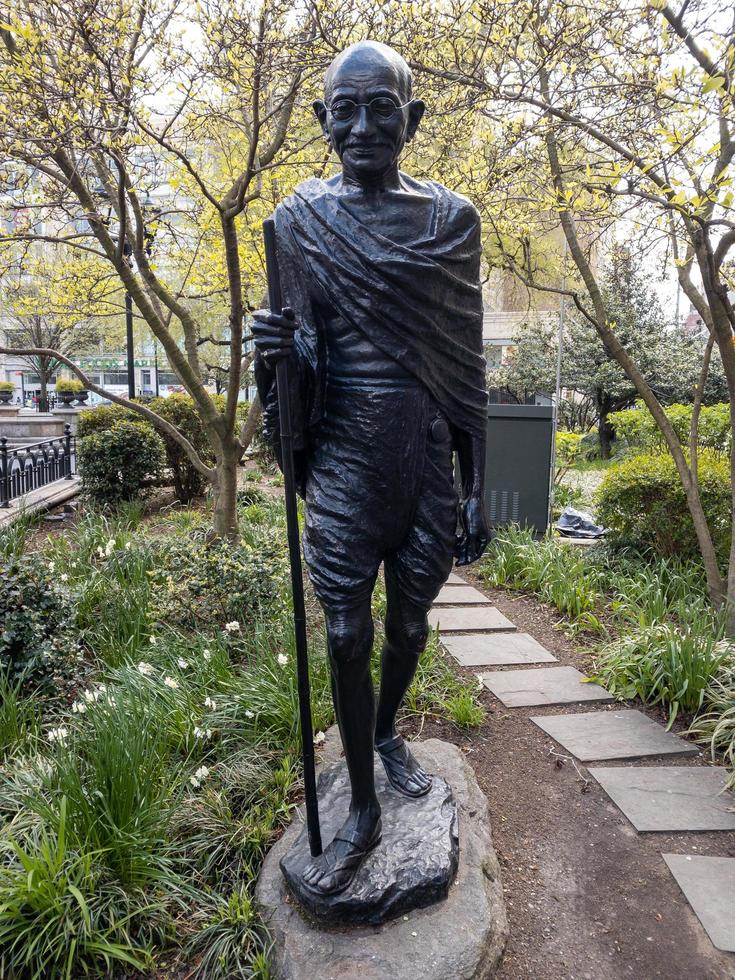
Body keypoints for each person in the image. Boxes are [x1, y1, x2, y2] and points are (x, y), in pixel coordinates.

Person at [252, 40, 489, 898]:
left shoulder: (449, 221)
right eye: (341, 110)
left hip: (424, 456)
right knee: (346, 632)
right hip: (347, 453)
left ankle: (387, 732)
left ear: (410, 117)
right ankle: (360, 807)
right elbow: (300, 359)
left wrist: (474, 488)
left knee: (408, 628)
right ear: (320, 120)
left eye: (379, 107)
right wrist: (272, 355)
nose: (360, 125)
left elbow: (466, 367)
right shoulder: (297, 222)